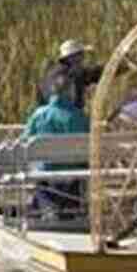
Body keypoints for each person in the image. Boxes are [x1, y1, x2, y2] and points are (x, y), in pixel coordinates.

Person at [23, 72, 89, 216]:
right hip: (73, 174)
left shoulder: (39, 114)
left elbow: (25, 142)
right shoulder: (79, 116)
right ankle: (70, 210)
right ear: (70, 91)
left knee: (38, 169)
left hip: (46, 173)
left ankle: (46, 208)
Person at [35, 39, 103, 111]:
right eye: (81, 54)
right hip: (68, 117)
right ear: (72, 57)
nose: (83, 58)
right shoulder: (75, 73)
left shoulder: (47, 75)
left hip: (45, 118)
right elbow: (96, 73)